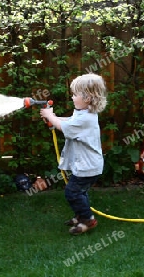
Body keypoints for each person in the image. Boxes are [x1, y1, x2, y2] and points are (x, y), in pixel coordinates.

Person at [40, 73, 107, 235]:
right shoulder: (83, 114)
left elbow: (66, 128)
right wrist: (55, 118)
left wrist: (51, 117)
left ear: (88, 98)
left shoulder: (86, 119)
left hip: (88, 166)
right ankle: (80, 215)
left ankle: (87, 219)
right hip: (87, 164)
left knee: (73, 192)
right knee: (79, 192)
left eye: (75, 94)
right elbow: (69, 122)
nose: (72, 97)